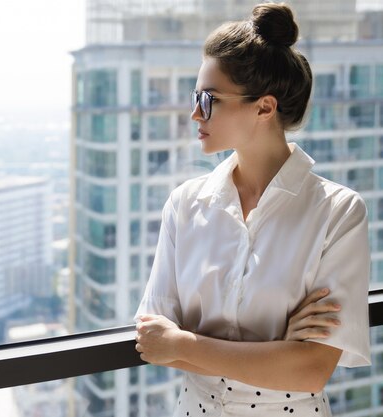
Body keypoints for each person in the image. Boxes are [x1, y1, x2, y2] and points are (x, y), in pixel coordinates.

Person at [134, 3, 371, 416]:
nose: (194, 113)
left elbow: (310, 371)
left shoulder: (339, 213)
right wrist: (277, 349)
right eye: (196, 98)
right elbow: (155, 342)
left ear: (264, 107)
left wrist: (185, 343)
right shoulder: (186, 204)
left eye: (208, 100)